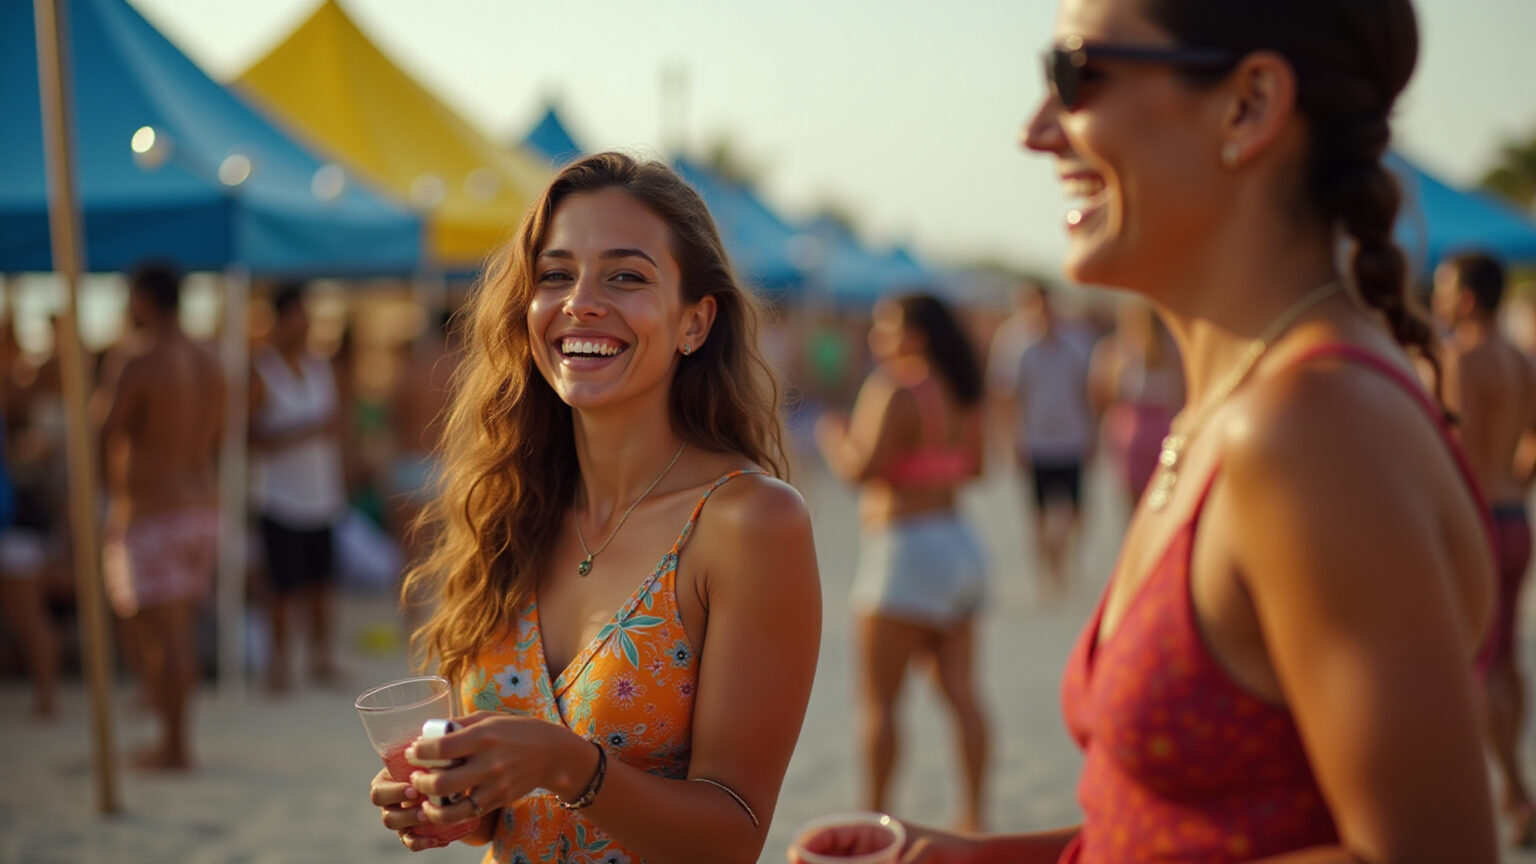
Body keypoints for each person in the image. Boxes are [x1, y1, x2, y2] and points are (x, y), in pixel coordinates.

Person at [802, 1, 1501, 862]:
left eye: (1073, 76)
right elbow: (1189, 833)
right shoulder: (1247, 410)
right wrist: (967, 858)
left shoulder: (1311, 430)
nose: (1036, 132)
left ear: (1247, 107)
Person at [369, 152, 822, 863]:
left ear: (694, 323)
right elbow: (512, 814)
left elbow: (733, 837)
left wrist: (568, 764)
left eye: (626, 276)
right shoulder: (512, 507)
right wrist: (456, 802)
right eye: (555, 275)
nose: (580, 300)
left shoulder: (748, 523)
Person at [816, 293, 991, 831]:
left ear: (916, 334)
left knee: (879, 703)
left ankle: (874, 819)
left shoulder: (893, 387)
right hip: (959, 542)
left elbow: (862, 470)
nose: (877, 339)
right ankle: (973, 815)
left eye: (886, 329)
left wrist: (833, 440)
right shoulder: (962, 391)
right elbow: (976, 469)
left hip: (904, 549)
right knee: (962, 694)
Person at [99, 263, 223, 769]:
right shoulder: (208, 361)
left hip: (153, 512)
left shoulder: (139, 360)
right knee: (178, 634)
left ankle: (174, 745)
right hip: (199, 506)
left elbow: (105, 432)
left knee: (161, 639)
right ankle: (173, 739)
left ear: (144, 300)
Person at [1432, 251, 1536, 847]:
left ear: (1467, 298)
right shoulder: (1521, 362)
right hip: (1515, 514)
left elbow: (1452, 446)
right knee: (1507, 658)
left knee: (1480, 659)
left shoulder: (1458, 360)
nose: (1441, 300)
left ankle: (1518, 790)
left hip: (1476, 519)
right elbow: (1531, 441)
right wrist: (1515, 483)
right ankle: (1513, 786)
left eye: (1446, 290)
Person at [249, 283, 347, 692]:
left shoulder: (319, 367)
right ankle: (280, 665)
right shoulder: (261, 372)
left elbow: (338, 423)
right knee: (282, 590)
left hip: (322, 493)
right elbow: (247, 439)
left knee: (322, 584)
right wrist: (306, 432)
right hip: (280, 497)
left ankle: (321, 659)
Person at [999, 283, 1096, 600]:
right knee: (1038, 515)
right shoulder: (1015, 343)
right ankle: (1046, 577)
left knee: (1077, 512)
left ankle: (1063, 560)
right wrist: (1013, 438)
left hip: (1071, 437)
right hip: (1036, 440)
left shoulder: (1077, 340)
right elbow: (1009, 397)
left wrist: (1092, 431)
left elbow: (1087, 390)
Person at [1088, 299, 1183, 505]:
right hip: (1162, 430)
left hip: (1132, 431)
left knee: (1134, 507)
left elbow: (1105, 394)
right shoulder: (1173, 349)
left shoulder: (1119, 351)